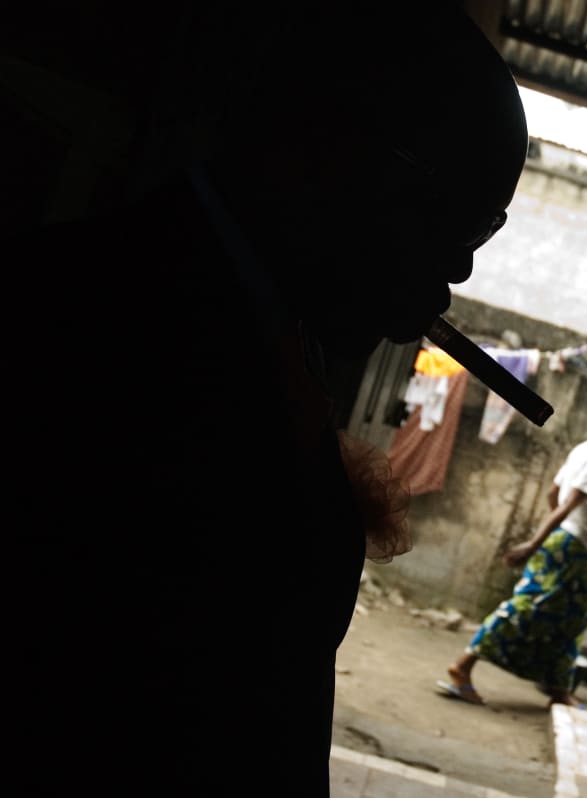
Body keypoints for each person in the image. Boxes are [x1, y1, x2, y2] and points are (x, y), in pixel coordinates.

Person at [9, 3, 527, 796]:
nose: (458, 269)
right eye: (451, 215)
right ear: (325, 149)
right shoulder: (95, 330)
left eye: (484, 232)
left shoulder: (275, 337)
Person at [440, 400, 587, 707]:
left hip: (565, 542)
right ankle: (463, 666)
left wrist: (553, 538)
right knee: (530, 608)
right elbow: (567, 503)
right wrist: (535, 543)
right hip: (576, 550)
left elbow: (553, 493)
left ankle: (560, 691)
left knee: (570, 619)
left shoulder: (585, 450)